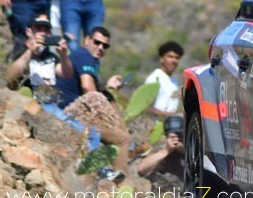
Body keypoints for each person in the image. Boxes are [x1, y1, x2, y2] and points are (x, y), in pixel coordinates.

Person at [53, 26, 130, 177]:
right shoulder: (84, 55)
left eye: (105, 45)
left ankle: (115, 166)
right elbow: (87, 87)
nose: (100, 48)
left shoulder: (85, 58)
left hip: (71, 111)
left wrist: (106, 86)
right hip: (71, 116)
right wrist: (105, 115)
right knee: (123, 139)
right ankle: (121, 183)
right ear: (87, 40)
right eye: (97, 42)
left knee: (107, 96)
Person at [136, 114, 184, 184]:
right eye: (172, 135)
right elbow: (142, 169)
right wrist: (166, 151)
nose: (177, 138)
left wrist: (185, 151)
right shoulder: (164, 147)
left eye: (180, 134)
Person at [145, 40, 184, 117]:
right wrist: (170, 115)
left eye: (177, 58)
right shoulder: (154, 79)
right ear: (161, 59)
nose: (174, 60)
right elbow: (145, 108)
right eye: (170, 57)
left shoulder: (174, 81)